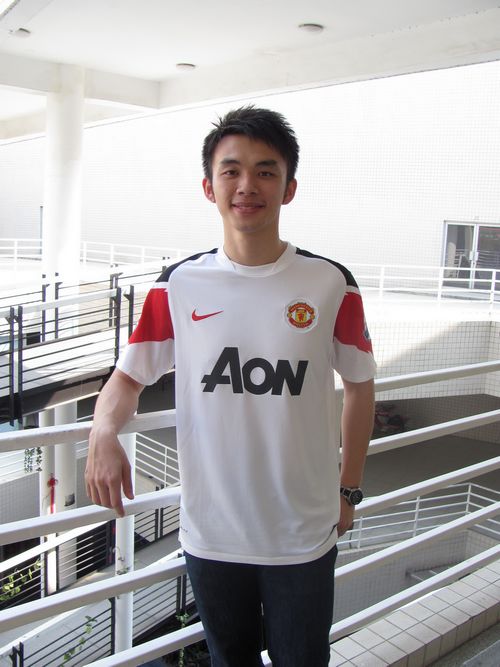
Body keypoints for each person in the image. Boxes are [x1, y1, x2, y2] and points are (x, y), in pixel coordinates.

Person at [85, 106, 376, 667]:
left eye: (266, 171)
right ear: (209, 187)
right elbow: (127, 377)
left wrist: (349, 490)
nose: (248, 186)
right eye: (232, 171)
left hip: (303, 531)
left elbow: (360, 386)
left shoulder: (331, 283)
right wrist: (102, 431)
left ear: (289, 189)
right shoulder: (177, 285)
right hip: (211, 533)